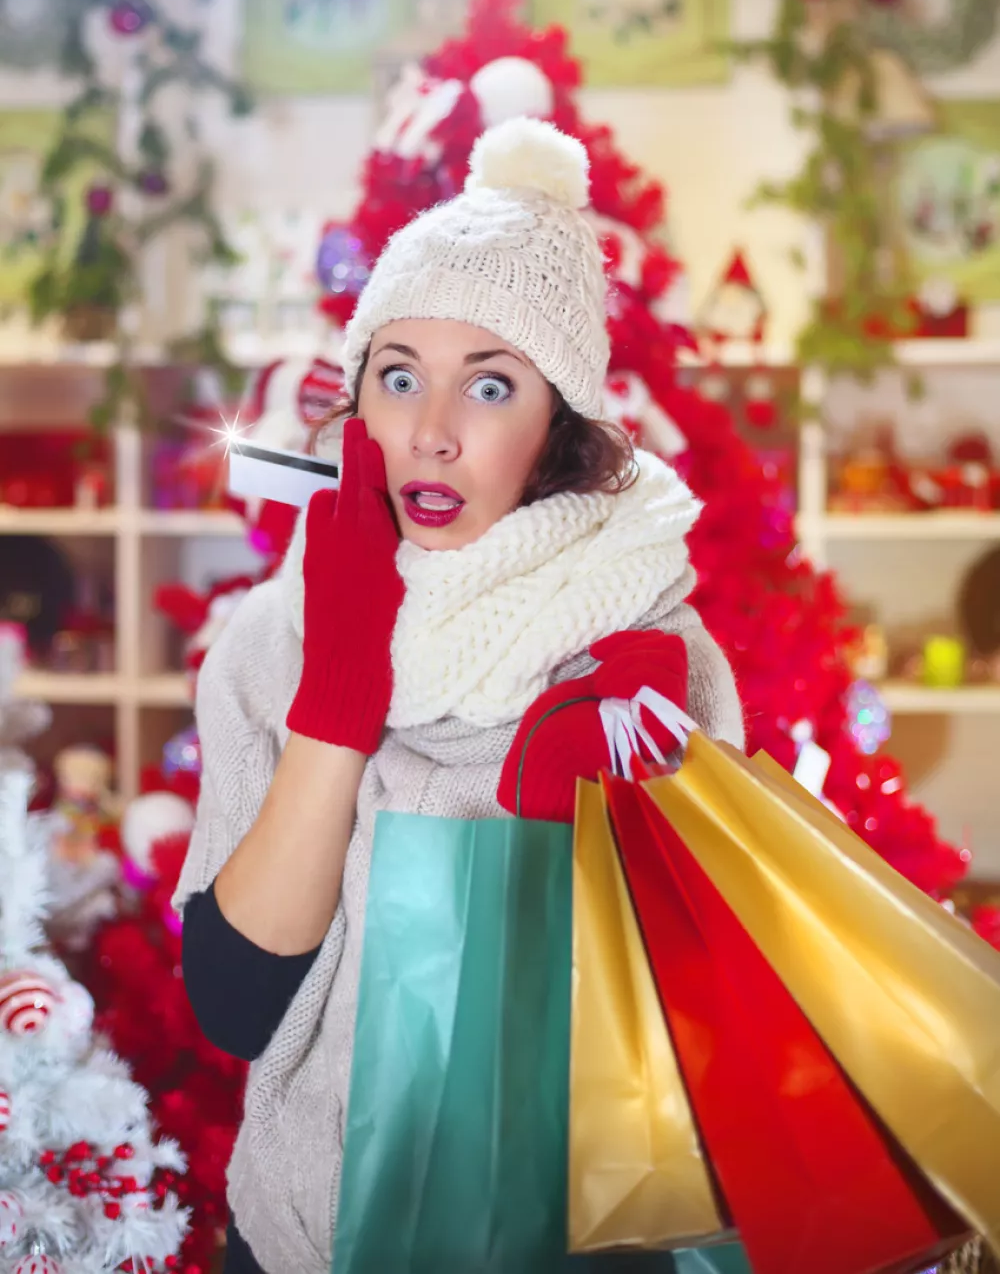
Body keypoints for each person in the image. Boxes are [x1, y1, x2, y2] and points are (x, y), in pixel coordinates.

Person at [175, 117, 744, 1274]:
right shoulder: (272, 640)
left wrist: (613, 820)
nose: (429, 435)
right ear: (359, 402)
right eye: (398, 378)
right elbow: (236, 1004)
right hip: (304, 1237)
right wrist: (336, 691)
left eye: (489, 385)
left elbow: (695, 1040)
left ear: (557, 429)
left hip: (566, 1250)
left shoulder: (650, 653)